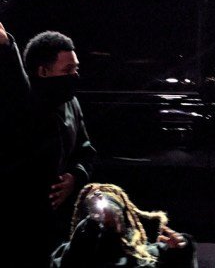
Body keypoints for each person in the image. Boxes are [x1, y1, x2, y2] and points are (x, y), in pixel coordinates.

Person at [1, 25, 96, 267]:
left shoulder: (71, 103)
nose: (75, 75)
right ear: (42, 72)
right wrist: (6, 45)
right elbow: (14, 80)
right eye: (68, 69)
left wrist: (75, 176)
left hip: (58, 223)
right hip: (20, 222)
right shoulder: (24, 103)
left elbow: (85, 151)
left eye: (76, 68)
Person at [51, 183, 196, 268]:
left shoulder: (145, 254)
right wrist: (91, 226)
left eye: (112, 209)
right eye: (94, 208)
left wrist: (180, 251)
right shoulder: (67, 254)